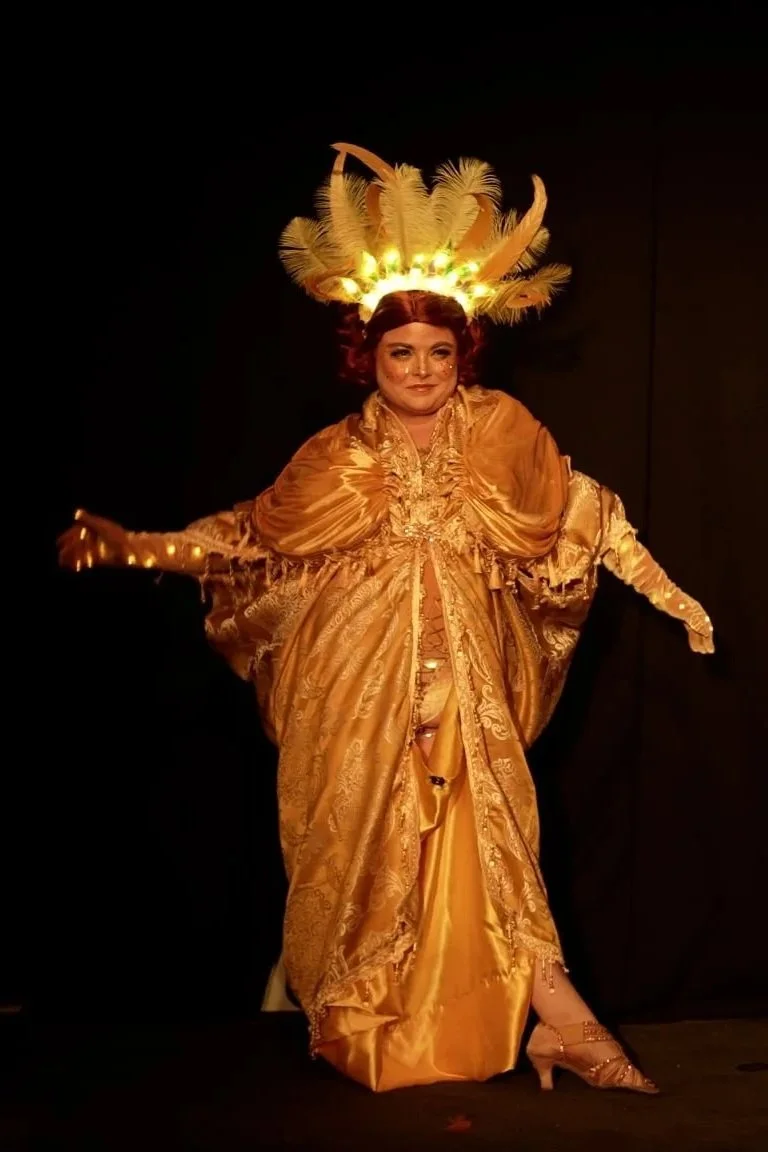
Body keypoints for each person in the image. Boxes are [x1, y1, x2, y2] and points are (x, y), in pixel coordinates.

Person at [58, 142, 714, 1095]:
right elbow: (249, 539)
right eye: (401, 352)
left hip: (467, 682)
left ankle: (557, 1016)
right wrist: (137, 547)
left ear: (463, 354)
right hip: (355, 690)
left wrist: (672, 597)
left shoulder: (504, 435)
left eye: (438, 352)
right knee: (366, 844)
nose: (419, 369)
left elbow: (587, 514)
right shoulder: (331, 457)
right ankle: (381, 1016)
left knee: (488, 833)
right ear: (368, 356)